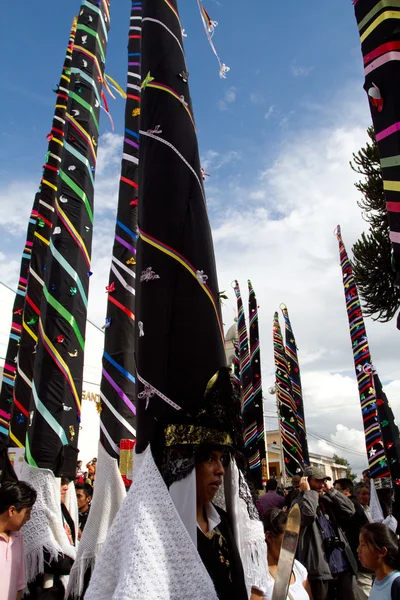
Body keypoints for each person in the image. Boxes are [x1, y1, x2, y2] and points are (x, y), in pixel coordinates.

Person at [293, 466, 357, 600]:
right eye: (318, 481)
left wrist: (332, 491)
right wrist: (309, 493)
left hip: (341, 566)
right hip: (319, 571)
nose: (321, 484)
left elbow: (350, 510)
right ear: (306, 481)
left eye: (324, 481)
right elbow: (308, 515)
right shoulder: (298, 502)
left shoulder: (327, 500)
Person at [195, 446, 251, 599]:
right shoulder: (163, 529)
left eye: (222, 459)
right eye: (209, 459)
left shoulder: (222, 520)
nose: (221, 470)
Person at [28, 478, 76, 599]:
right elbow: (45, 556)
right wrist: (76, 562)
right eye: (61, 483)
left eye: (66, 484)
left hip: (62, 584)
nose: (65, 487)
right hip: (42, 588)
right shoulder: (36, 513)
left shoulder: (62, 509)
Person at [335, 478, 373, 600]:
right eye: (363, 494)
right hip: (360, 555)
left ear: (346, 491)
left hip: (362, 556)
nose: (365, 497)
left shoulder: (352, 505)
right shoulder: (358, 505)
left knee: (364, 590)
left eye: (337, 490)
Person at [262, 508, 312, 599]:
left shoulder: (298, 568)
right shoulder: (259, 575)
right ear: (269, 537)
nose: (293, 545)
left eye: (295, 538)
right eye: (288, 539)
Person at [0, 480, 37, 600]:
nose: (29, 518)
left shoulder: (18, 536)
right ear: (11, 511)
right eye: (27, 512)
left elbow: (19, 585)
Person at [358, 522, 400, 599]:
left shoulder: (396, 584)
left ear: (382, 552)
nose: (358, 550)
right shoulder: (377, 580)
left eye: (363, 545)